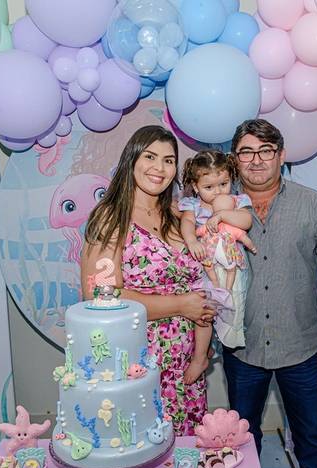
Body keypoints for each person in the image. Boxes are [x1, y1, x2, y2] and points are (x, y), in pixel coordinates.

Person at [223, 119, 317, 468]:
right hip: (242, 348)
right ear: (234, 160)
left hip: (301, 347)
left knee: (310, 434)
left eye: (265, 150)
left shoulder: (313, 205)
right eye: (246, 152)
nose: (256, 160)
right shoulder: (217, 209)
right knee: (241, 436)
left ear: (281, 156)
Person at [81, 125, 218, 435]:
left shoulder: (178, 215)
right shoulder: (111, 217)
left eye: (169, 160)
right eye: (150, 156)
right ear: (131, 160)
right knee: (145, 444)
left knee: (184, 450)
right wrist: (181, 305)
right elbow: (101, 296)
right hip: (139, 362)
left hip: (186, 365)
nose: (160, 168)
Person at [178, 151, 256, 381]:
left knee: (233, 305)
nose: (219, 191)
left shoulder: (237, 201)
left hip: (232, 266)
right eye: (209, 187)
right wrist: (192, 241)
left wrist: (222, 214)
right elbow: (187, 223)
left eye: (224, 183)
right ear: (195, 186)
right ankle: (201, 355)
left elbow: (246, 221)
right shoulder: (193, 205)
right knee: (205, 311)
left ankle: (227, 339)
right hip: (206, 265)